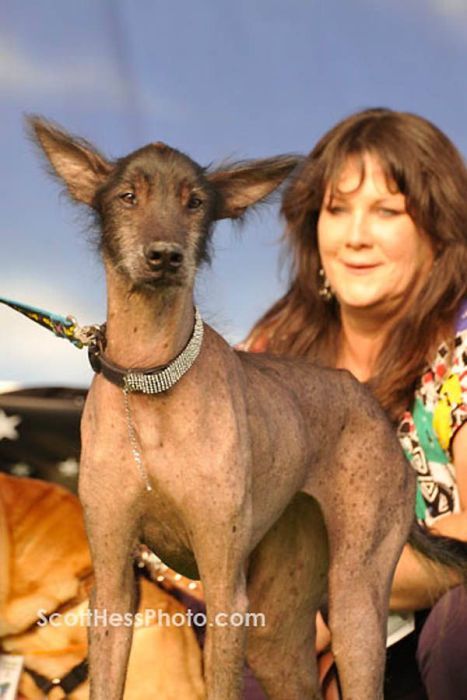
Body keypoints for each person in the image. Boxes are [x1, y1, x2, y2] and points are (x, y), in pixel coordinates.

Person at [241, 107, 467, 699]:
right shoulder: (270, 354)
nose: (355, 236)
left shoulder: (460, 346)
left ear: (438, 235)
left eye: (387, 212)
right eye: (336, 210)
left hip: (425, 632)